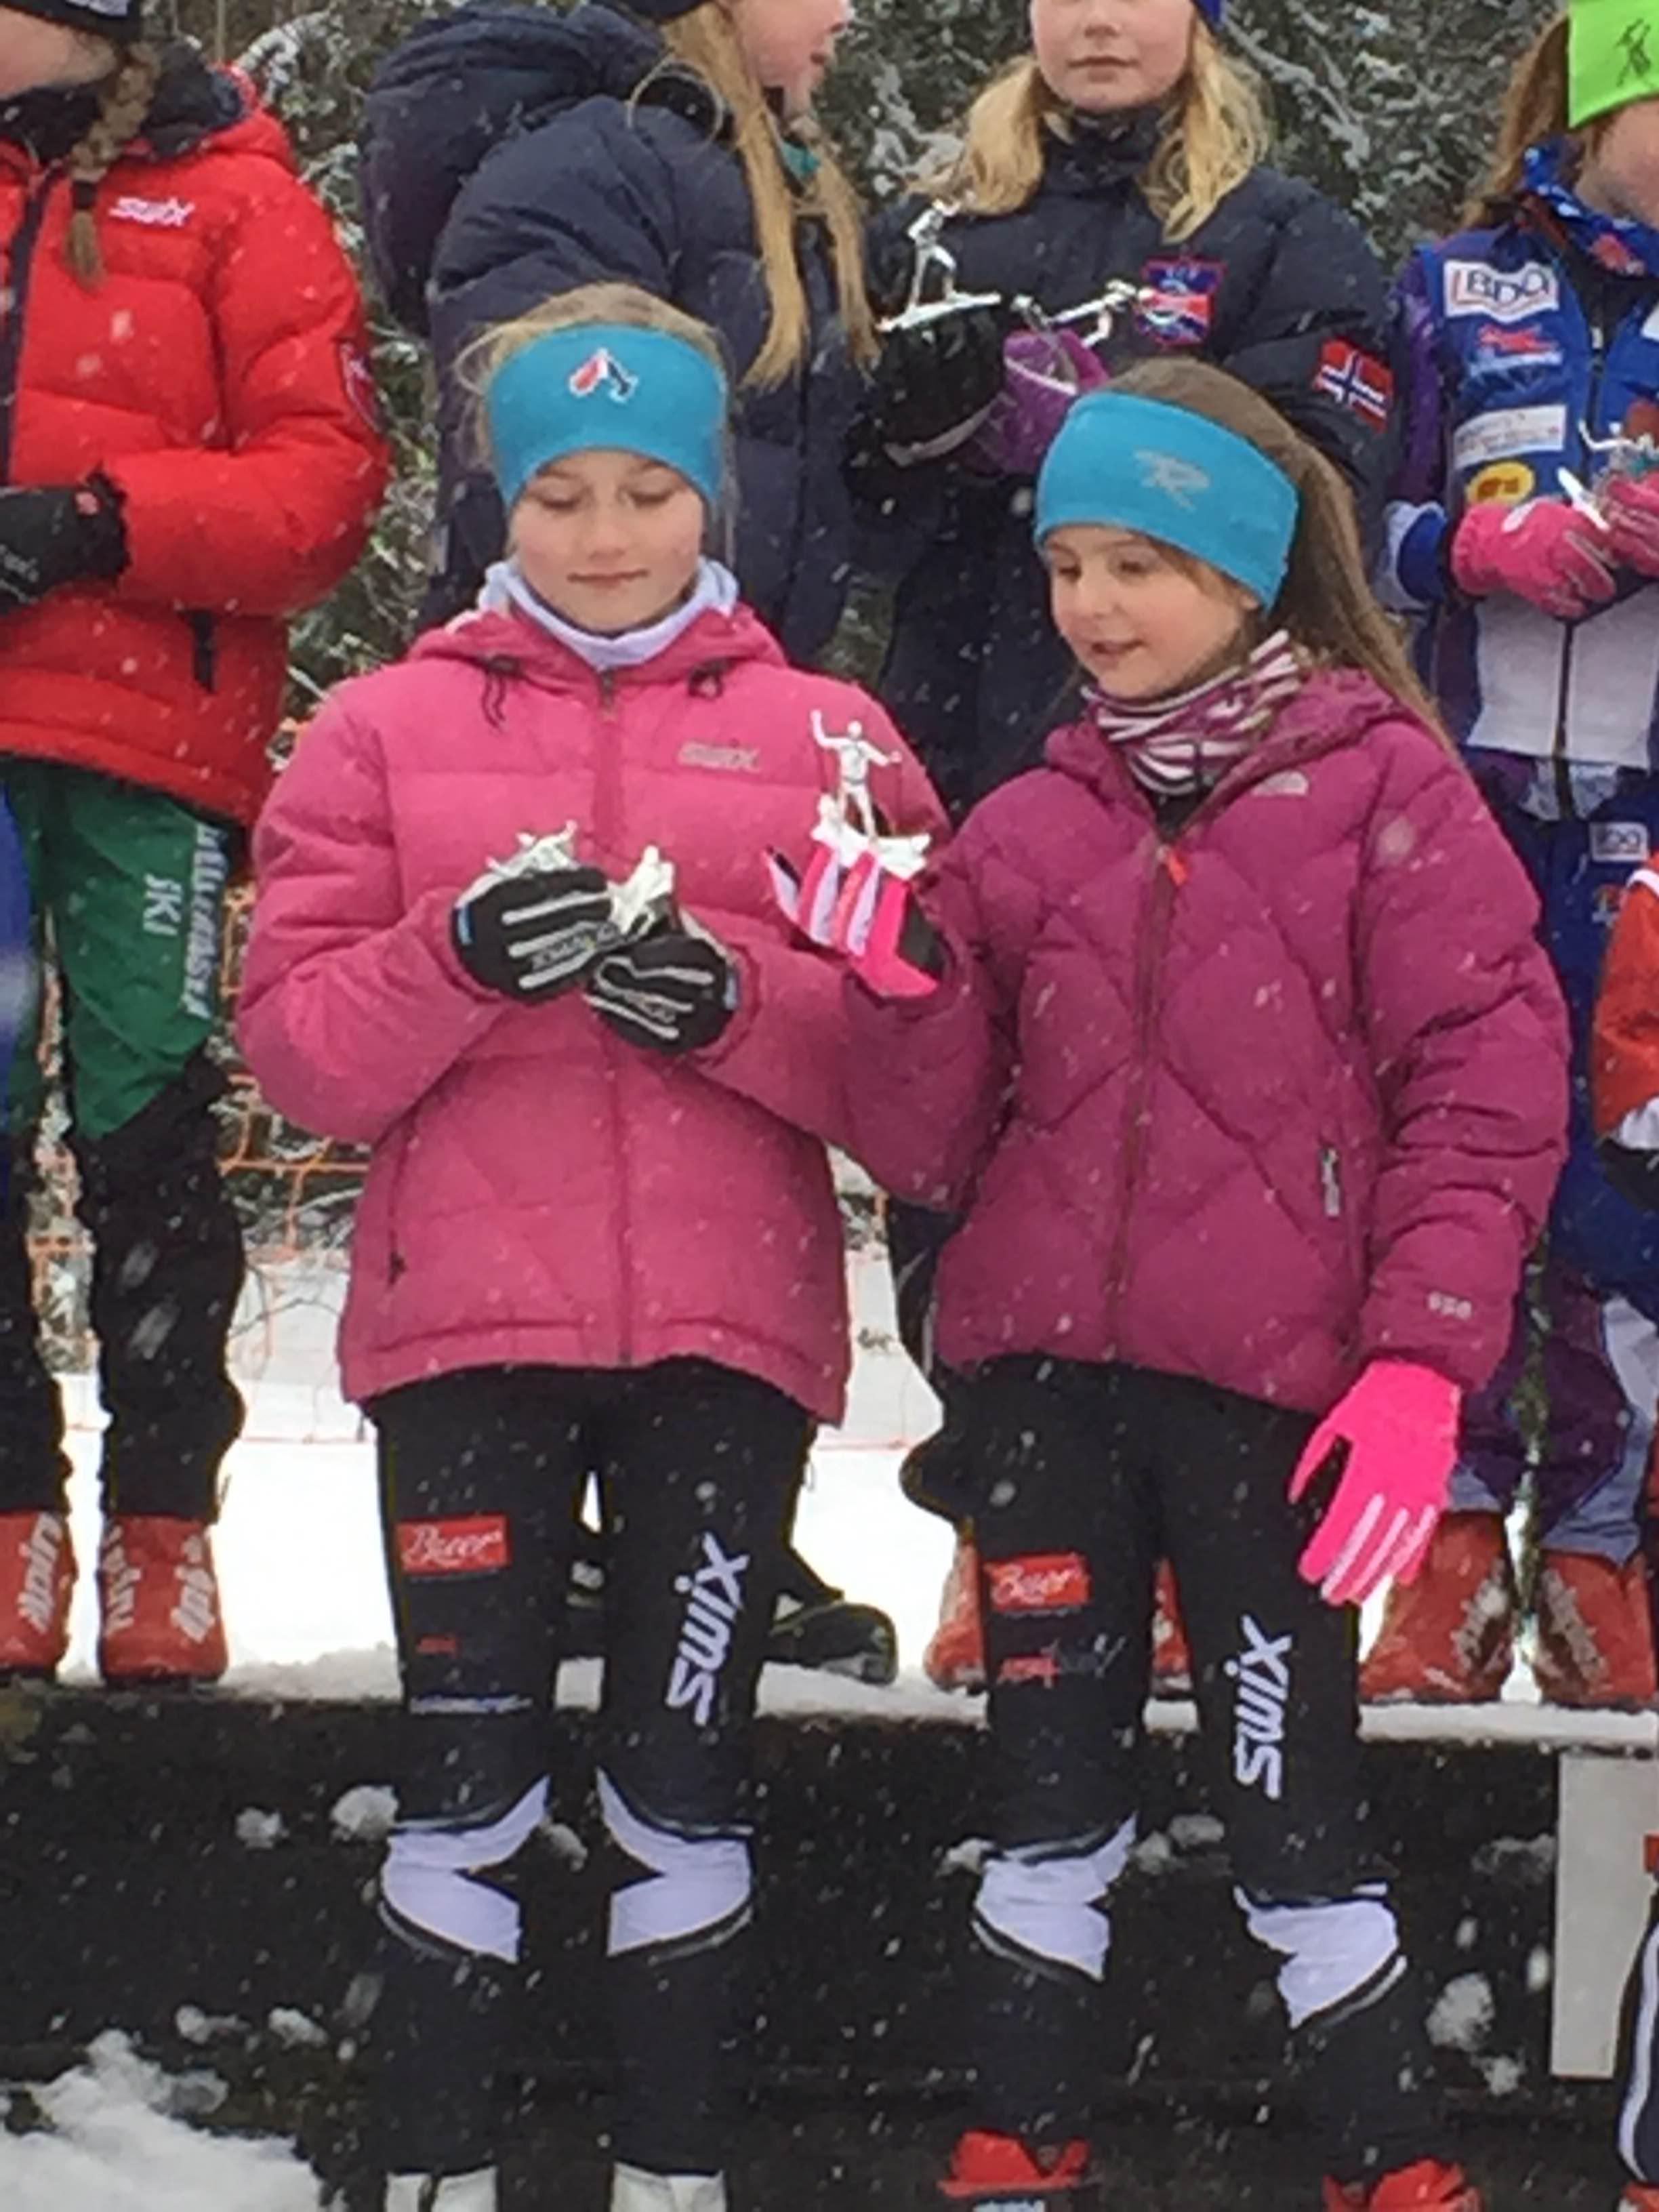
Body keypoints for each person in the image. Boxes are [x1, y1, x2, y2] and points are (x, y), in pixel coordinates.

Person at [780, 361, 1568, 2211]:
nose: (1093, 606)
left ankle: (1383, 2153)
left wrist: (1417, 1366)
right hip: (1047, 1400)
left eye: (1138, 564)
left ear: (1243, 574)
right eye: (1067, 565)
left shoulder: (1386, 794)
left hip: (1272, 1408)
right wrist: (895, 988)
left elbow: (1484, 1093)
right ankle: (1019, 2134)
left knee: (1294, 1801)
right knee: (1045, 1787)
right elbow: (933, 1143)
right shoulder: (1026, 821)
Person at [238, 283, 941, 2212]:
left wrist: (736, 1003)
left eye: (648, 491)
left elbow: (928, 1074)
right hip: (464, 1339)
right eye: (560, 494)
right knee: (465, 1786)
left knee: (680, 1782)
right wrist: (453, 957)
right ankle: (436, 2173)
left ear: (714, 497)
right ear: (499, 501)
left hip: (726, 1339)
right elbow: (300, 1055)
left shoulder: (831, 736)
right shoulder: (382, 728)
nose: (607, 535)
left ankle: (671, 2177)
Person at [853, 0, 1395, 1693]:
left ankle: (1183, 1534)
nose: (1096, 19)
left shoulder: (1279, 233)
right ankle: (996, 1517)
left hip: (1211, 778)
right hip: (980, 750)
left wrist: (1108, 433)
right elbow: (828, 496)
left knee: (1198, 1138)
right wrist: (915, 428)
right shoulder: (933, 225)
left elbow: (1332, 475)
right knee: (968, 1145)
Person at [0, 0, 386, 1686]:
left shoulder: (235, 195)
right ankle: (10, 1510)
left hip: (144, 739)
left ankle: (164, 1520)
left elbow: (324, 489)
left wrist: (100, 524)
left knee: (147, 1131)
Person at [1368, 0, 1659, 1710]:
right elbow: (1343, 522)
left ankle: (1602, 1551)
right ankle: (1449, 1540)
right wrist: (1474, 551)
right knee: (1452, 1171)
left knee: (1627, 1191)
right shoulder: (1450, 286)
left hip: (1648, 826)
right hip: (1465, 797)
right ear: (1606, 100)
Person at [361, 0, 874, 660]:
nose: (843, 15)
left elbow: (795, 487)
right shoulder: (600, 169)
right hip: (578, 685)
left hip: (708, 678)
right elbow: (537, 460)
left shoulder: (731, 175)